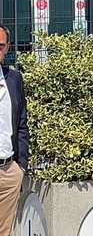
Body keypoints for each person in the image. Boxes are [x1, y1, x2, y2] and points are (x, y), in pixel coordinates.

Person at [0, 25, 28, 236]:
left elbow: (21, 124)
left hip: (9, 171)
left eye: (0, 46)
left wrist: (21, 168)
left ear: (7, 47)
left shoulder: (14, 78)